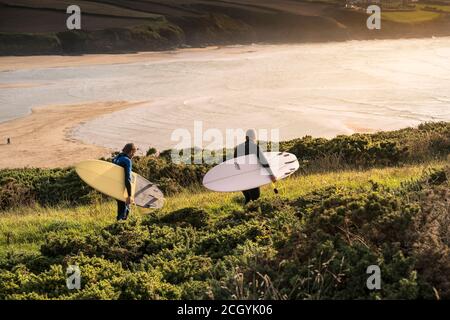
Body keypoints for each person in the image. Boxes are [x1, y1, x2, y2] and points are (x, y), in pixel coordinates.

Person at [234, 129, 277, 205]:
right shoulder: (254, 146)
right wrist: (271, 174)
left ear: (246, 137)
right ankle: (253, 215)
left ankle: (245, 215)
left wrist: (238, 177)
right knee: (255, 198)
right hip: (252, 177)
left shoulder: (238, 148)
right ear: (254, 137)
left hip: (241, 178)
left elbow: (235, 164)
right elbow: (263, 161)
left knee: (248, 198)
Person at [112, 143, 137, 221]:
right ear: (131, 151)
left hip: (115, 187)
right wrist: (129, 195)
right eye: (134, 153)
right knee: (125, 210)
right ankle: (121, 227)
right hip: (122, 188)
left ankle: (118, 223)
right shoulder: (127, 161)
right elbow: (127, 179)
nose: (133, 155)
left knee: (120, 208)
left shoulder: (116, 158)